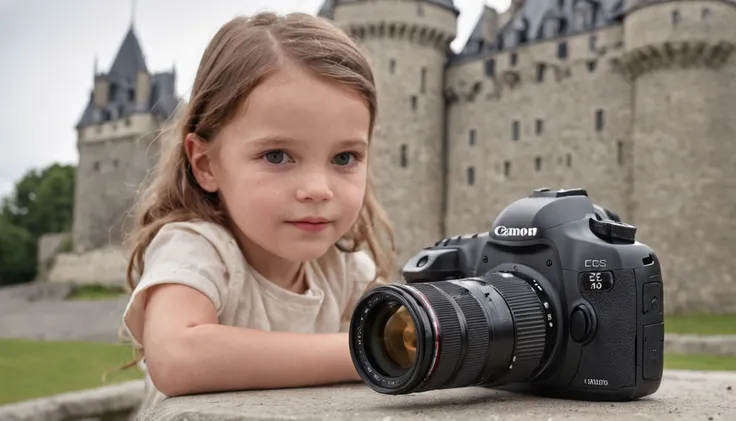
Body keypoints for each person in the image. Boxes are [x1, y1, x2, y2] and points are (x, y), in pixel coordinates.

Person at [119, 10, 396, 414]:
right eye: (278, 155)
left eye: (344, 157)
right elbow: (177, 355)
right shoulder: (198, 246)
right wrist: (362, 350)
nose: (317, 189)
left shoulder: (340, 266)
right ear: (206, 164)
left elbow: (411, 330)